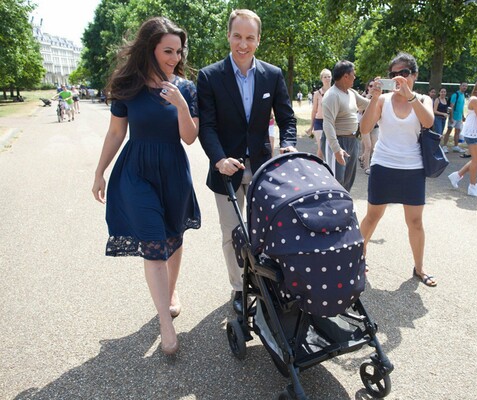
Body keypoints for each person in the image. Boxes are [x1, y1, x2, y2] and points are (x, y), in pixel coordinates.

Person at [91, 17, 201, 356]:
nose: (174, 58)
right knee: (153, 242)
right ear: (149, 48)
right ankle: (165, 326)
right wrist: (99, 172)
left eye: (178, 52)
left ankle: (171, 292)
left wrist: (181, 104)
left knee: (173, 235)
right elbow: (115, 133)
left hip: (172, 169)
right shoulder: (128, 85)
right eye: (167, 50)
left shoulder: (186, 87)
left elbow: (190, 137)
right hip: (136, 170)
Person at [197, 9, 297, 315]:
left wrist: (289, 145)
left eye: (249, 37)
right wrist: (218, 159)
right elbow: (208, 127)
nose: (243, 44)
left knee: (267, 232)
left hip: (263, 170)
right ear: (228, 35)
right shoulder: (209, 76)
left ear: (258, 39)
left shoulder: (273, 74)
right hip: (225, 171)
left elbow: (287, 118)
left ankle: (268, 283)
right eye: (237, 36)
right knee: (232, 234)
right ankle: (239, 289)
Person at [359, 52, 436, 287]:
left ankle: (419, 268)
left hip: (413, 168)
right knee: (373, 216)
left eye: (404, 73)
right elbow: (364, 127)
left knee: (415, 222)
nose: (399, 78)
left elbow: (429, 122)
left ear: (414, 75)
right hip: (383, 165)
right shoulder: (383, 101)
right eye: (394, 74)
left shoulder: (423, 100)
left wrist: (410, 96)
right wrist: (374, 97)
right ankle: (358, 259)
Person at [322, 60, 369, 191]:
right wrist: (336, 149)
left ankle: (343, 208)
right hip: (338, 141)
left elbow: (367, 104)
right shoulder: (332, 95)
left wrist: (379, 96)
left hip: (352, 140)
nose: (355, 77)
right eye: (353, 74)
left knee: (348, 181)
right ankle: (332, 209)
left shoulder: (351, 93)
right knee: (336, 182)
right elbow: (328, 124)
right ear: (345, 76)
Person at [447, 77, 477, 197]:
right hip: (472, 132)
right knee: (476, 159)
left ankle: (457, 175)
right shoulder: (474, 100)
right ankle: (472, 186)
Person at [306, 68, 332, 160]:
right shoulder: (317, 94)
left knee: (331, 148)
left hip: (331, 122)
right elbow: (314, 111)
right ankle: (318, 167)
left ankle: (329, 168)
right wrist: (311, 126)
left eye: (329, 77)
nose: (327, 79)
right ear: (321, 79)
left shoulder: (335, 92)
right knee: (321, 146)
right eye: (325, 77)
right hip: (319, 122)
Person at [358, 79, 379, 175]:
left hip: (375, 125)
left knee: (374, 147)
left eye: (374, 86)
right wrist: (368, 98)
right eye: (370, 86)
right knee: (368, 146)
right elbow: (359, 110)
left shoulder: (379, 97)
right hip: (365, 125)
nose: (372, 88)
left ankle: (363, 158)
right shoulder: (363, 97)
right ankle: (367, 167)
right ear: (367, 87)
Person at [443, 82, 468, 154]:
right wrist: (451, 117)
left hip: (459, 118)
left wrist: (462, 116)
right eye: (463, 86)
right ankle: (444, 146)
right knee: (449, 131)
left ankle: (456, 146)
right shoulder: (455, 95)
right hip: (453, 117)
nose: (464, 87)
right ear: (460, 86)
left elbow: (461, 107)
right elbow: (451, 107)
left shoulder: (463, 95)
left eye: (466, 86)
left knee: (457, 132)